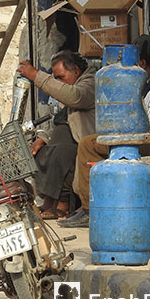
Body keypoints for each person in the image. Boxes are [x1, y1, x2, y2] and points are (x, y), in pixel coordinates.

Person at [60, 22, 150, 228]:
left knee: (89, 145)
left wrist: (136, 128)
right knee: (97, 140)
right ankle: (100, 205)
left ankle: (89, 209)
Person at [17, 51, 95, 219]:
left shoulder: (91, 82)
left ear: (75, 70)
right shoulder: (74, 84)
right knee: (42, 152)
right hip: (68, 139)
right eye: (56, 78)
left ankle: (62, 204)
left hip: (86, 142)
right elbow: (64, 120)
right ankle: (49, 200)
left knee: (63, 154)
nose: (59, 82)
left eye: (61, 77)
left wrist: (37, 76)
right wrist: (42, 139)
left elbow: (76, 97)